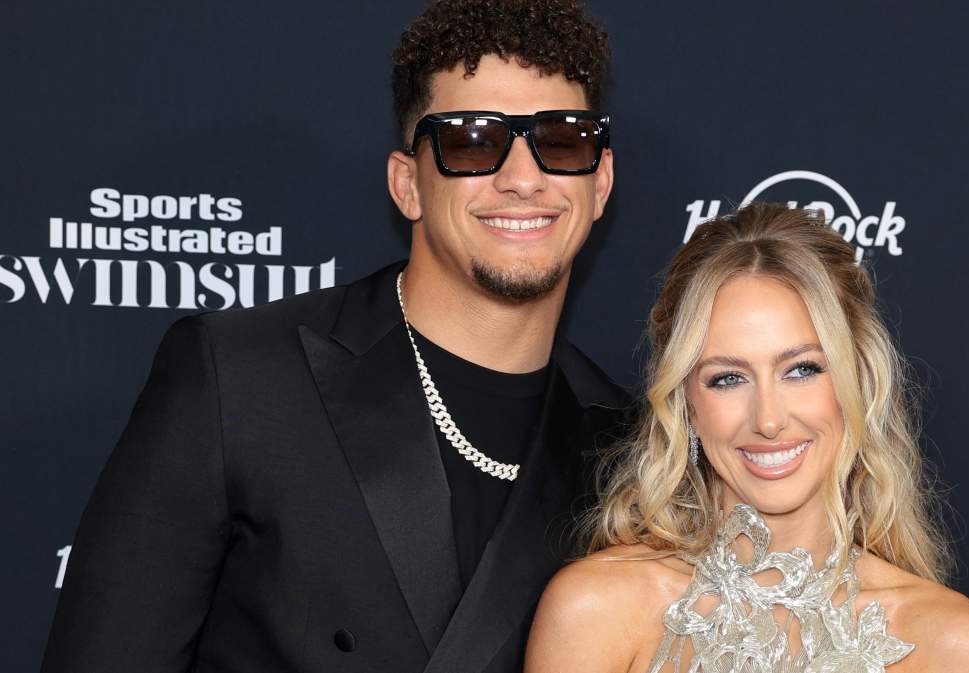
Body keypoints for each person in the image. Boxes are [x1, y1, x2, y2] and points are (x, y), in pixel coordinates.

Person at [41, 1, 624, 672]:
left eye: (562, 141)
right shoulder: (239, 379)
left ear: (600, 181)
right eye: (471, 141)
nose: (522, 179)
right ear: (407, 184)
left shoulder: (626, 450)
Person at [526, 203, 969, 672]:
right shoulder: (595, 611)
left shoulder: (950, 643)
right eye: (728, 378)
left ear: (857, 379)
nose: (769, 420)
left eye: (801, 370)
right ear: (685, 401)